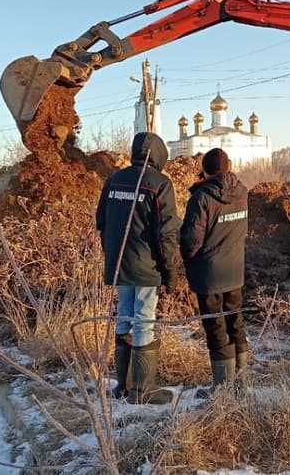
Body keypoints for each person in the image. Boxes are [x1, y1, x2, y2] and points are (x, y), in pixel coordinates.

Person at [96, 131, 180, 404]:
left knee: (124, 314)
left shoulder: (113, 181)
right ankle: (143, 390)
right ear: (159, 155)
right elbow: (165, 234)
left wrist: (111, 256)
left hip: (119, 264)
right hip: (146, 267)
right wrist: (170, 272)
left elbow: (102, 223)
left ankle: (123, 385)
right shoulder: (159, 184)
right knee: (144, 319)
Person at [179, 148, 250, 393]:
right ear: (228, 167)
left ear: (205, 170)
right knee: (236, 323)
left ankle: (222, 388)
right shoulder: (242, 192)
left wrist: (187, 257)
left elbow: (191, 240)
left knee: (216, 327)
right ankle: (240, 383)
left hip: (209, 274)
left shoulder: (202, 198)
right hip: (235, 270)